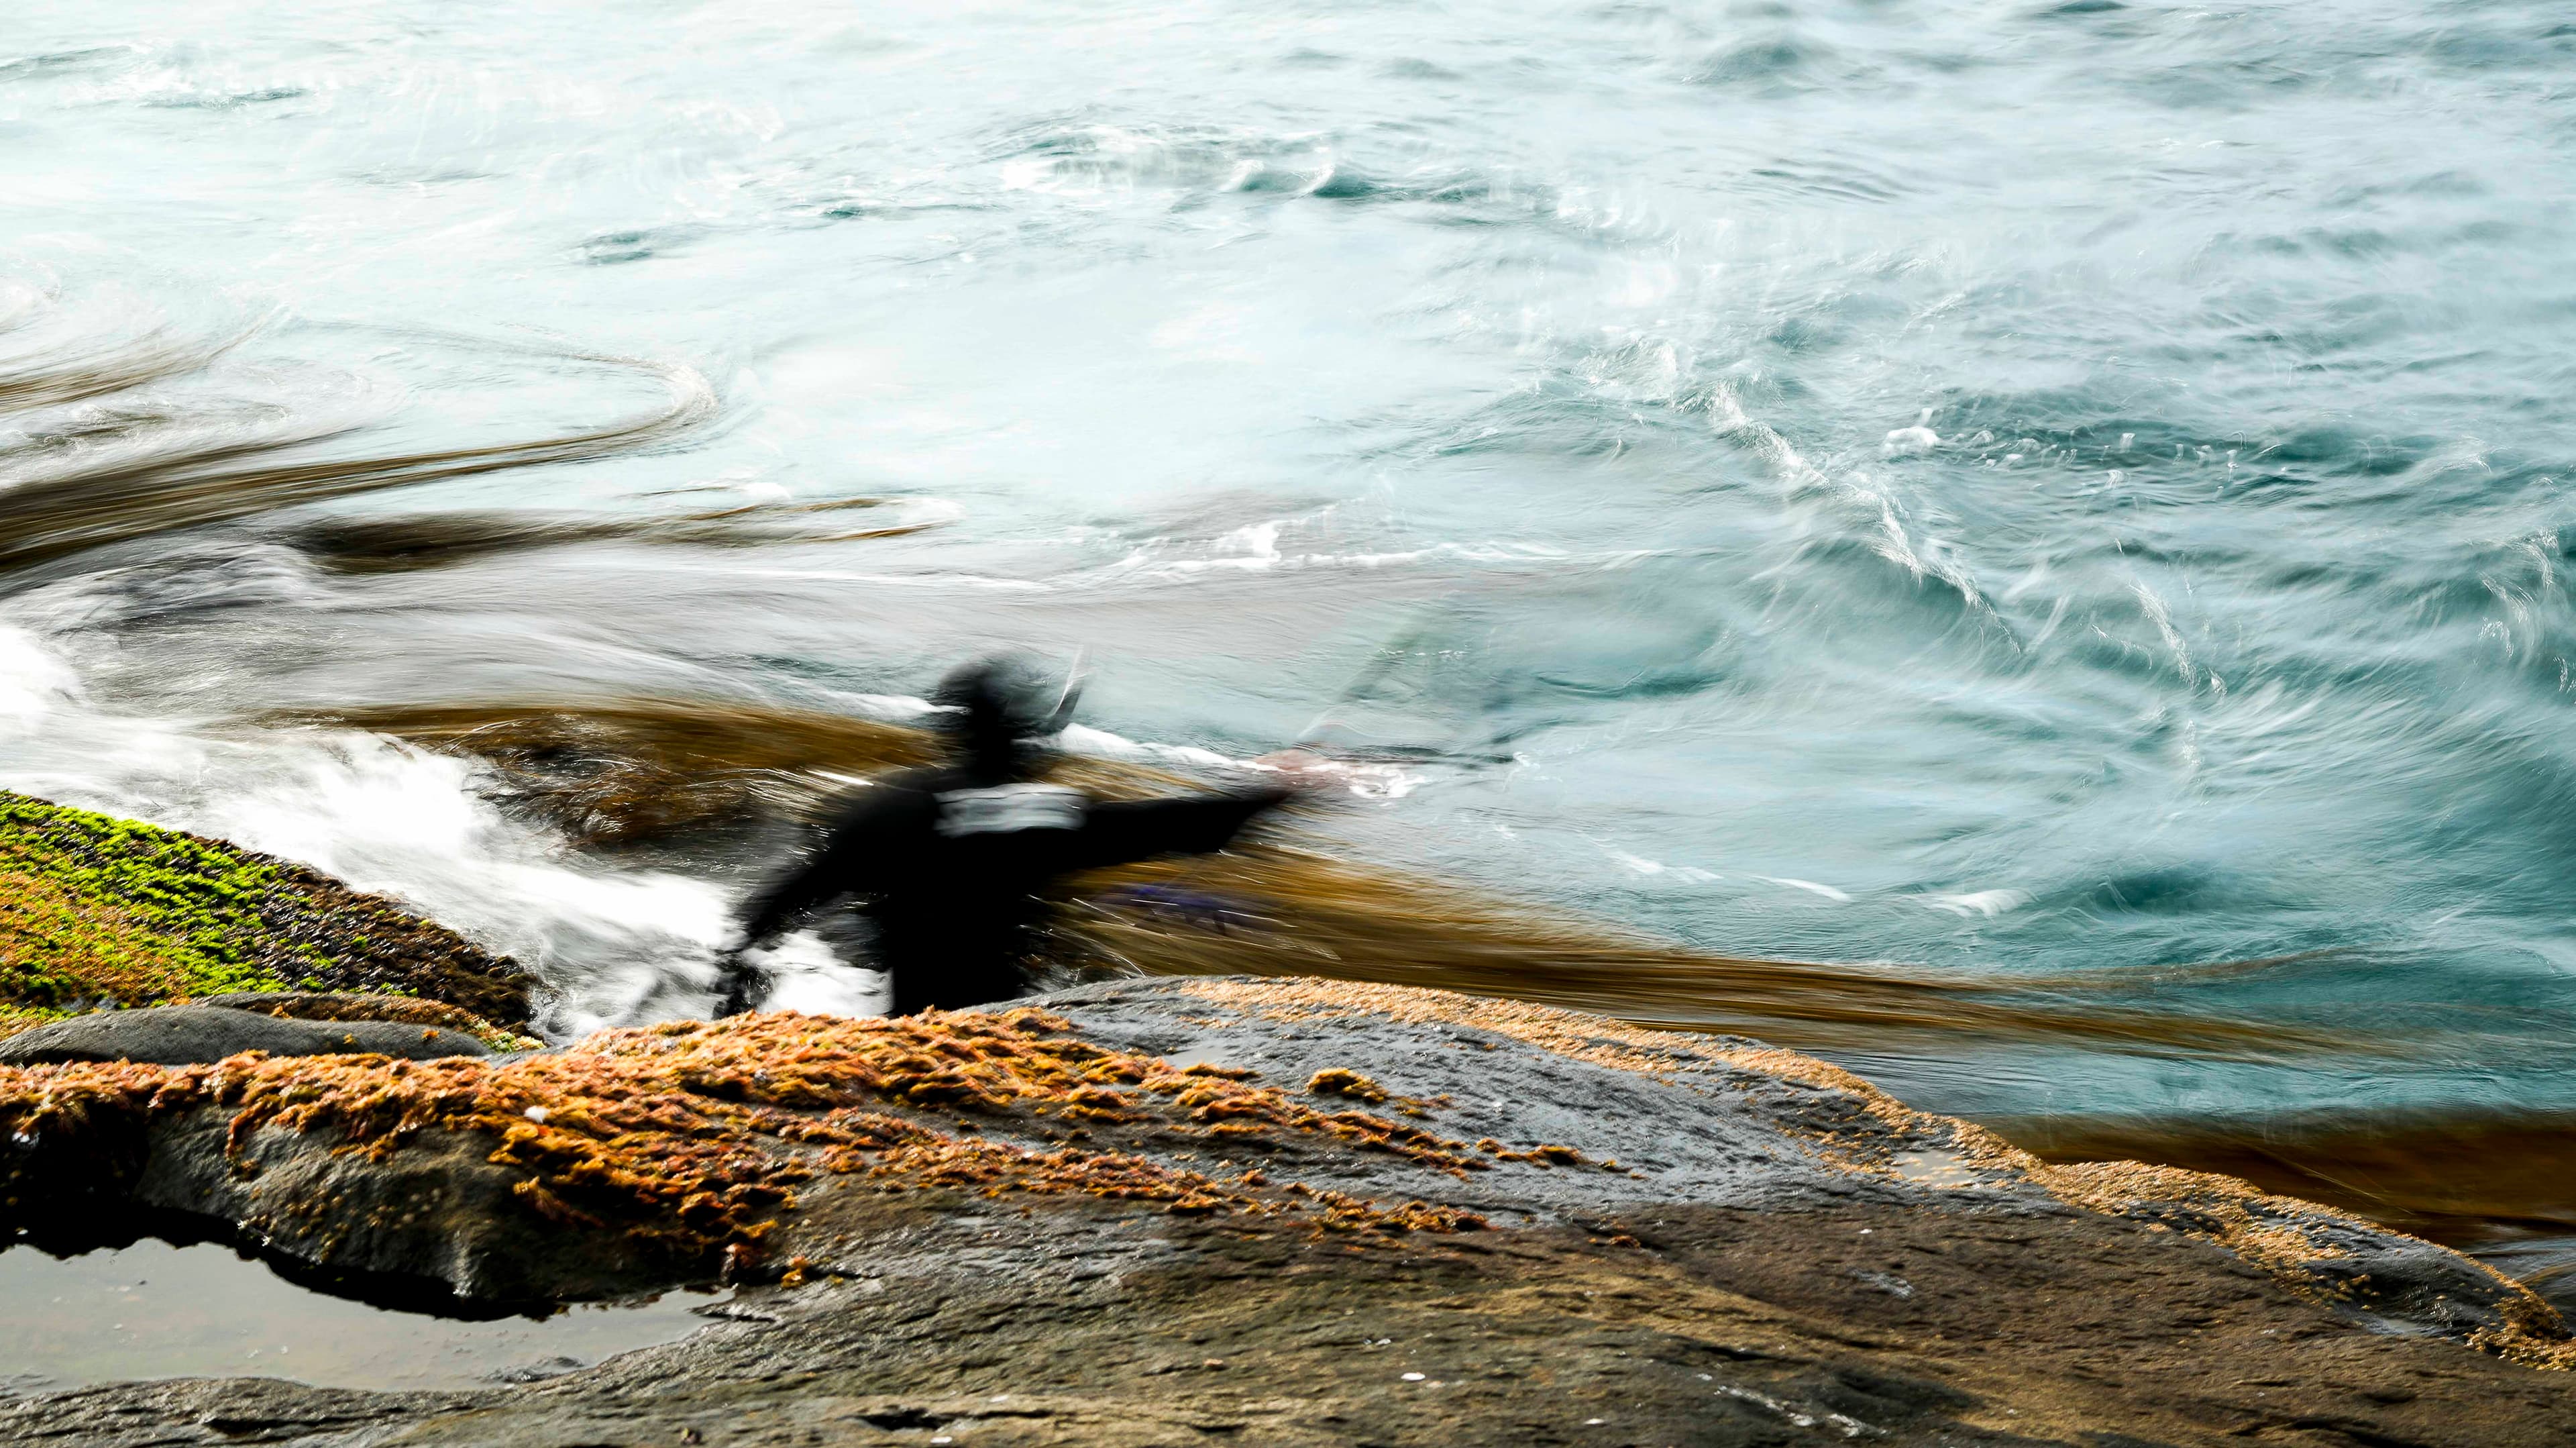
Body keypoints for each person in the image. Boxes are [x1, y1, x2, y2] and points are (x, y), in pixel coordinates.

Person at [714, 656, 1293, 1017]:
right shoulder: (1047, 815)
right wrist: (1273, 788)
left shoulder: (884, 809)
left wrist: (734, 1001)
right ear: (1030, 737)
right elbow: (1179, 825)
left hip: (914, 1023)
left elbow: (770, 911)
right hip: (1012, 1022)